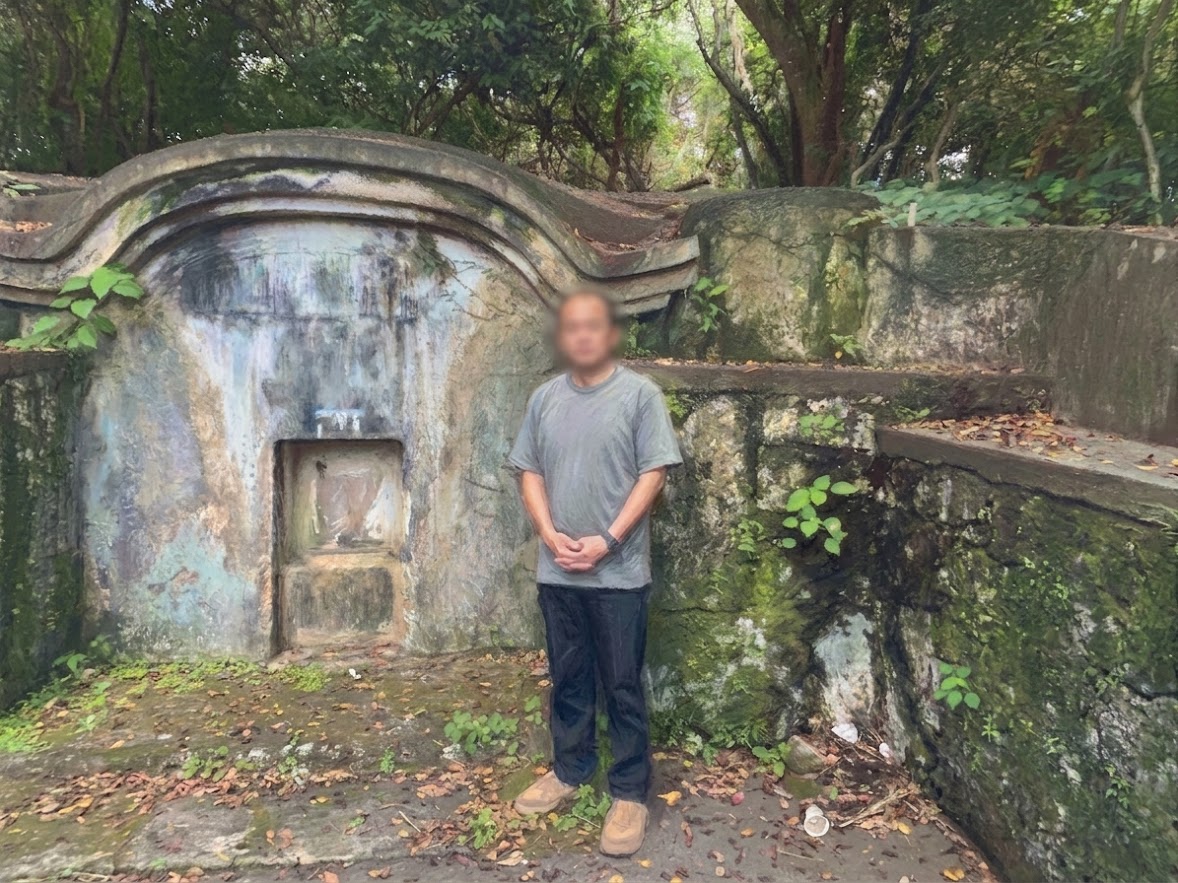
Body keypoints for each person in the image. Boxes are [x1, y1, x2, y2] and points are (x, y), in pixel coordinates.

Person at [507, 288, 682, 857]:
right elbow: (529, 471)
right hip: (558, 571)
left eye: (593, 326)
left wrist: (608, 540)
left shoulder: (639, 396)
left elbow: (653, 473)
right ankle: (570, 769)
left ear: (609, 334)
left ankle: (629, 792)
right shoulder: (544, 399)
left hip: (619, 576)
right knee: (568, 677)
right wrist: (548, 533)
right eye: (572, 327)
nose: (582, 335)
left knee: (622, 683)